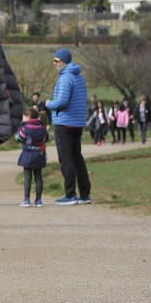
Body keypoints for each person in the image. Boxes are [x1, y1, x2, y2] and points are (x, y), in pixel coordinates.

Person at [45, 48, 91, 205]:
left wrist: (48, 104)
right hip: (77, 123)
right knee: (77, 157)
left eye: (56, 61)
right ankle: (85, 194)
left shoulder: (65, 78)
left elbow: (62, 101)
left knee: (66, 159)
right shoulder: (80, 77)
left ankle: (70, 194)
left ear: (63, 61)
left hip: (64, 122)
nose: (55, 64)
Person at [16, 106, 48, 207]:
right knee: (38, 177)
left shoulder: (25, 127)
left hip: (27, 155)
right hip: (39, 154)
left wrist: (18, 135)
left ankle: (26, 200)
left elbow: (19, 138)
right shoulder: (42, 127)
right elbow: (46, 138)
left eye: (24, 117)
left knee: (27, 177)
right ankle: (38, 200)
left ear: (28, 116)